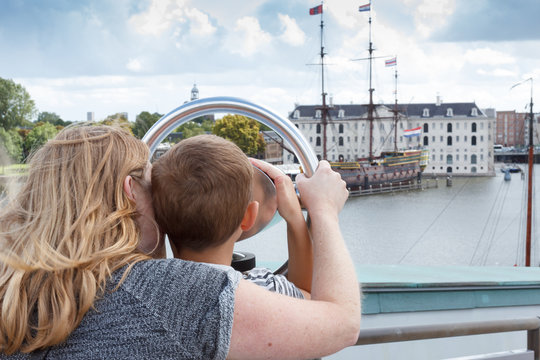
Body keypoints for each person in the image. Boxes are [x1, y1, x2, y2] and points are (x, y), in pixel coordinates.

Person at [0, 124, 360, 359]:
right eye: (149, 184)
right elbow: (342, 322)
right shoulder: (166, 292)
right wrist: (323, 209)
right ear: (130, 193)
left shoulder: (14, 289)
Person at [151, 134, 312, 298]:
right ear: (249, 217)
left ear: (156, 217)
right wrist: (295, 218)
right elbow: (306, 297)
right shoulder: (266, 289)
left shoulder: (147, 287)